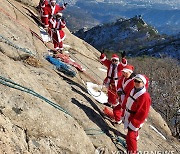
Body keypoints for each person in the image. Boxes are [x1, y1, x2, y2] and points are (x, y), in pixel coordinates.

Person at [122, 74, 151, 153]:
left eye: (139, 81)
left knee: (131, 136)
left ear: (143, 83)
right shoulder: (133, 90)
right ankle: (130, 147)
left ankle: (133, 151)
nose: (136, 83)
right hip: (128, 114)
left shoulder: (145, 96)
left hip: (135, 118)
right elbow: (127, 99)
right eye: (135, 80)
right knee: (130, 133)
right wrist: (123, 108)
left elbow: (143, 113)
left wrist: (135, 123)